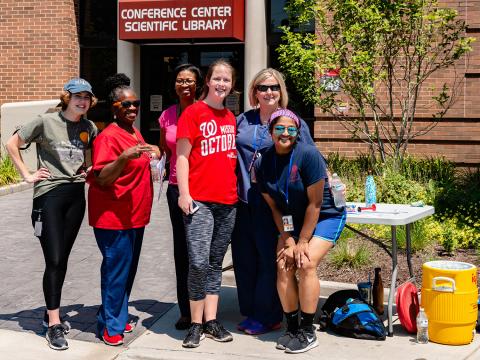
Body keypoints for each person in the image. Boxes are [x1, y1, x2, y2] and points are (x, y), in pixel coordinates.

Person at [5, 78, 98, 350]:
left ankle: (50, 312)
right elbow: (12, 144)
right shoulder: (45, 122)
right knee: (55, 258)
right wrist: (27, 175)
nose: (82, 101)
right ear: (66, 97)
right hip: (49, 196)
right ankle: (54, 324)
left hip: (75, 197)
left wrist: (88, 170)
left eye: (87, 97)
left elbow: (89, 159)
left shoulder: (88, 127)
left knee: (62, 259)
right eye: (77, 96)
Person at [254, 109, 346, 354]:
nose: (285, 133)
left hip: (325, 214)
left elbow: (315, 204)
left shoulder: (308, 154)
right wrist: (288, 238)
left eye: (291, 129)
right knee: (283, 264)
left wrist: (303, 241)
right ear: (271, 131)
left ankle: (307, 331)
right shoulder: (263, 160)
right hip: (292, 219)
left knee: (305, 263)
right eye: (279, 128)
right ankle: (292, 327)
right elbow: (276, 206)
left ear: (297, 132)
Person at [232, 68, 315, 335]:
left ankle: (268, 315)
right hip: (243, 200)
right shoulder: (242, 121)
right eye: (263, 87)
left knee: (271, 257)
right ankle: (251, 310)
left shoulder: (292, 121)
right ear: (254, 92)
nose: (269, 92)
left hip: (277, 204)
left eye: (274, 87)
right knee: (244, 258)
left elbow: (310, 157)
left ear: (281, 92)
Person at [87, 73, 158, 346]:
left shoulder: (133, 131)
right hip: (113, 217)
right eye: (124, 105)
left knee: (126, 271)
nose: (131, 109)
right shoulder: (108, 137)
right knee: (116, 271)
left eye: (135, 104)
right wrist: (123, 158)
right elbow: (102, 178)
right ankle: (111, 327)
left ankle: (112, 315)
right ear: (113, 107)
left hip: (135, 216)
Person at [176, 59, 238, 348]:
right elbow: (183, 157)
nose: (222, 84)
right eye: (217, 79)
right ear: (208, 82)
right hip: (199, 200)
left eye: (227, 80)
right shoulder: (193, 113)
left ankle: (211, 321)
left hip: (227, 200)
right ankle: (195, 322)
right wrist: (184, 194)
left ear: (231, 85)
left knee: (215, 263)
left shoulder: (230, 117)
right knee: (198, 263)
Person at [158, 63, 202, 330]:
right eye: (179, 80)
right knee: (182, 251)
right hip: (176, 188)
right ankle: (186, 310)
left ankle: (205, 309)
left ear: (198, 85)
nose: (184, 85)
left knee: (201, 251)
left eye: (189, 80)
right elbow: (166, 148)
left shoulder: (205, 112)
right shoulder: (167, 116)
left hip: (202, 189)